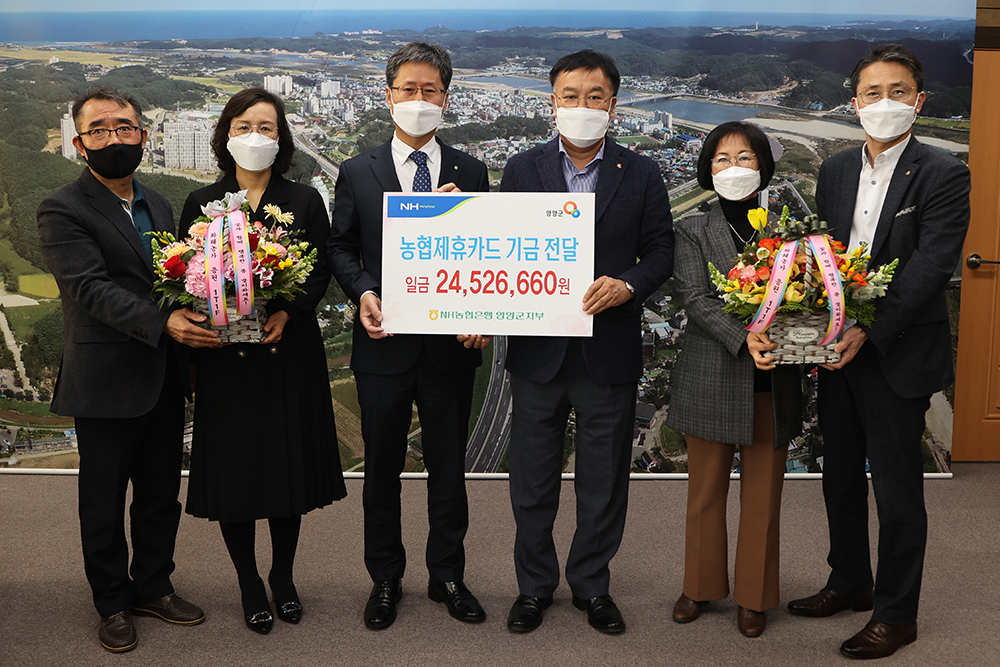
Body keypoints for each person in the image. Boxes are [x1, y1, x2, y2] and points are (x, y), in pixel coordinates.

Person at [786, 44, 971, 660]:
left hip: (896, 351)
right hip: (839, 349)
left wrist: (869, 327)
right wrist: (815, 325)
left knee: (897, 493)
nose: (883, 103)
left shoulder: (945, 173)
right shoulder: (835, 169)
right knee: (839, 478)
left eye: (897, 92)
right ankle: (849, 582)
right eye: (871, 92)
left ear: (918, 102)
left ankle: (897, 614)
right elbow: (827, 255)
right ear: (855, 99)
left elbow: (930, 267)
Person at [37, 86, 219, 653]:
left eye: (124, 127)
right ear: (79, 143)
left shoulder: (159, 203)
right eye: (99, 130)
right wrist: (165, 323)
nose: (114, 138)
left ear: (144, 135)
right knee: (104, 499)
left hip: (162, 375)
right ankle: (112, 601)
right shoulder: (62, 208)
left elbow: (172, 280)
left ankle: (154, 585)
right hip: (107, 378)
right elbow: (89, 289)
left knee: (161, 493)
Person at [499, 49, 674, 635]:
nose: (581, 107)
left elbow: (662, 253)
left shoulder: (643, 172)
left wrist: (628, 284)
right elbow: (499, 247)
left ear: (613, 105)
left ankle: (593, 587)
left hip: (609, 351)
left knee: (603, 482)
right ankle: (534, 588)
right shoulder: (522, 169)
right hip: (538, 352)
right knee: (532, 483)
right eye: (569, 97)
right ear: (552, 104)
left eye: (594, 97)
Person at [327, 41, 491, 631]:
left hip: (449, 348)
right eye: (407, 90)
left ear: (446, 98)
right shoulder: (357, 170)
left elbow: (482, 255)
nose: (418, 101)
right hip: (383, 344)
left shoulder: (471, 171)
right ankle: (386, 577)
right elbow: (340, 248)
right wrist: (364, 292)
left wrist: (479, 315)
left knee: (449, 469)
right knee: (382, 473)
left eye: (430, 91)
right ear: (387, 94)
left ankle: (448, 574)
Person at [179, 87, 347, 635]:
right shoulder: (201, 203)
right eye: (245, 125)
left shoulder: (304, 200)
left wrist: (291, 313)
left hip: (286, 352)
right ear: (226, 134)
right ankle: (248, 580)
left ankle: (283, 575)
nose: (256, 136)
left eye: (268, 127)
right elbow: (183, 275)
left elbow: (319, 270)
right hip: (225, 358)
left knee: (285, 471)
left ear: (283, 138)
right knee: (236, 473)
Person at [666, 121, 802, 638]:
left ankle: (755, 596)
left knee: (764, 496)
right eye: (722, 159)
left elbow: (812, 293)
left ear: (763, 165)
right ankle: (699, 586)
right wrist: (742, 336)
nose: (733, 168)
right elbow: (694, 297)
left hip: (775, 375)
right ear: (707, 169)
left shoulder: (791, 228)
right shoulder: (692, 228)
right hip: (713, 370)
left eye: (745, 157)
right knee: (704, 491)